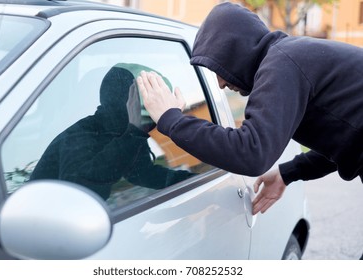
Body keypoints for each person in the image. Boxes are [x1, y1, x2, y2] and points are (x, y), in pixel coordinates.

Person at [136, 3, 362, 258]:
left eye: (217, 68)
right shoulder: (291, 57)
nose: (220, 84)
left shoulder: (282, 63)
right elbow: (347, 136)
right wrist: (288, 173)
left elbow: (251, 153)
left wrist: (171, 120)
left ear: (234, 50)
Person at [30, 63, 194, 200]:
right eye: (148, 114)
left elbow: (141, 173)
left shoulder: (121, 131)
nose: (152, 125)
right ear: (129, 104)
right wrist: (134, 131)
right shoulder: (80, 136)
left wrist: (189, 180)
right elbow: (81, 192)